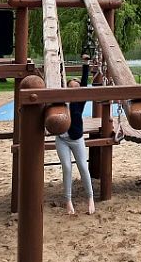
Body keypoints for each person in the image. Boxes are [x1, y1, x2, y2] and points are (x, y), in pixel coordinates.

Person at [55, 79, 95, 215]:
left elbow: (84, 84)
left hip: (76, 139)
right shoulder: (59, 101)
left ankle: (90, 198)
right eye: (70, 86)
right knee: (67, 167)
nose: (73, 88)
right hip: (61, 139)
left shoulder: (79, 102)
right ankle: (68, 201)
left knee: (83, 167)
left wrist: (85, 64)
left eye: (76, 86)